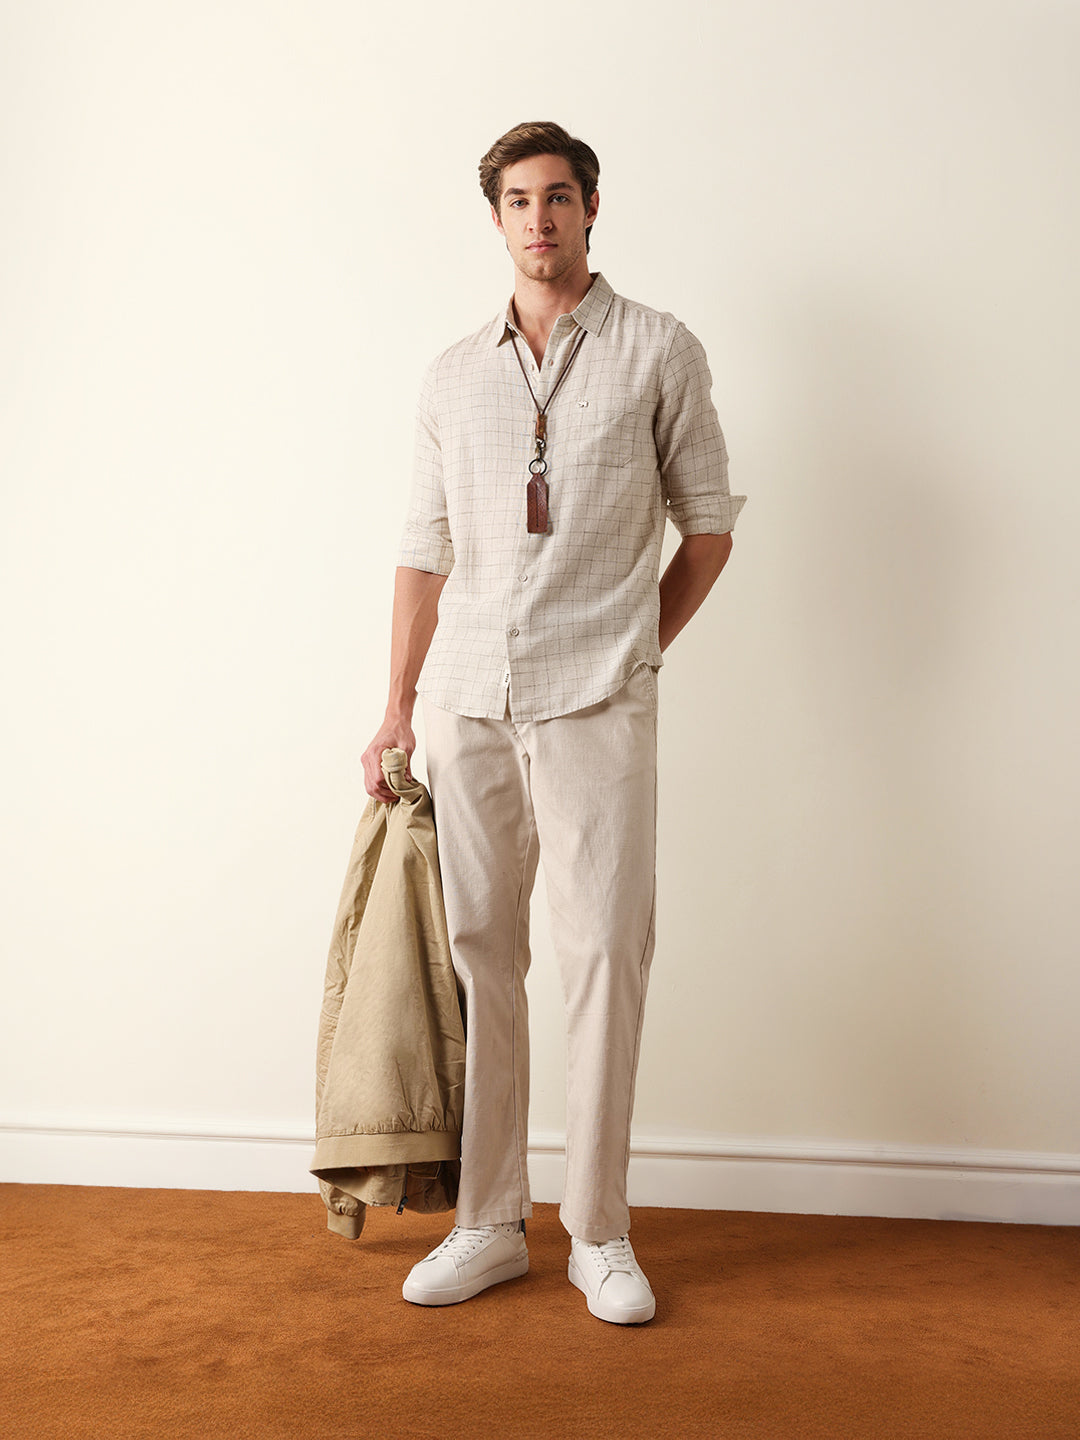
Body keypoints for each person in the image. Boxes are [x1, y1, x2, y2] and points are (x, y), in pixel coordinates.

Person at [360, 120, 746, 1325]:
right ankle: (488, 1222)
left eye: (560, 197)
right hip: (469, 695)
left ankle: (600, 1230)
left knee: (605, 953)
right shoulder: (451, 374)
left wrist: (637, 647)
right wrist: (394, 707)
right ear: (497, 219)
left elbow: (709, 526)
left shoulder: (659, 349)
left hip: (597, 696)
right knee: (483, 953)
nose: (541, 218)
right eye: (520, 200)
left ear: (591, 209)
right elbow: (423, 551)